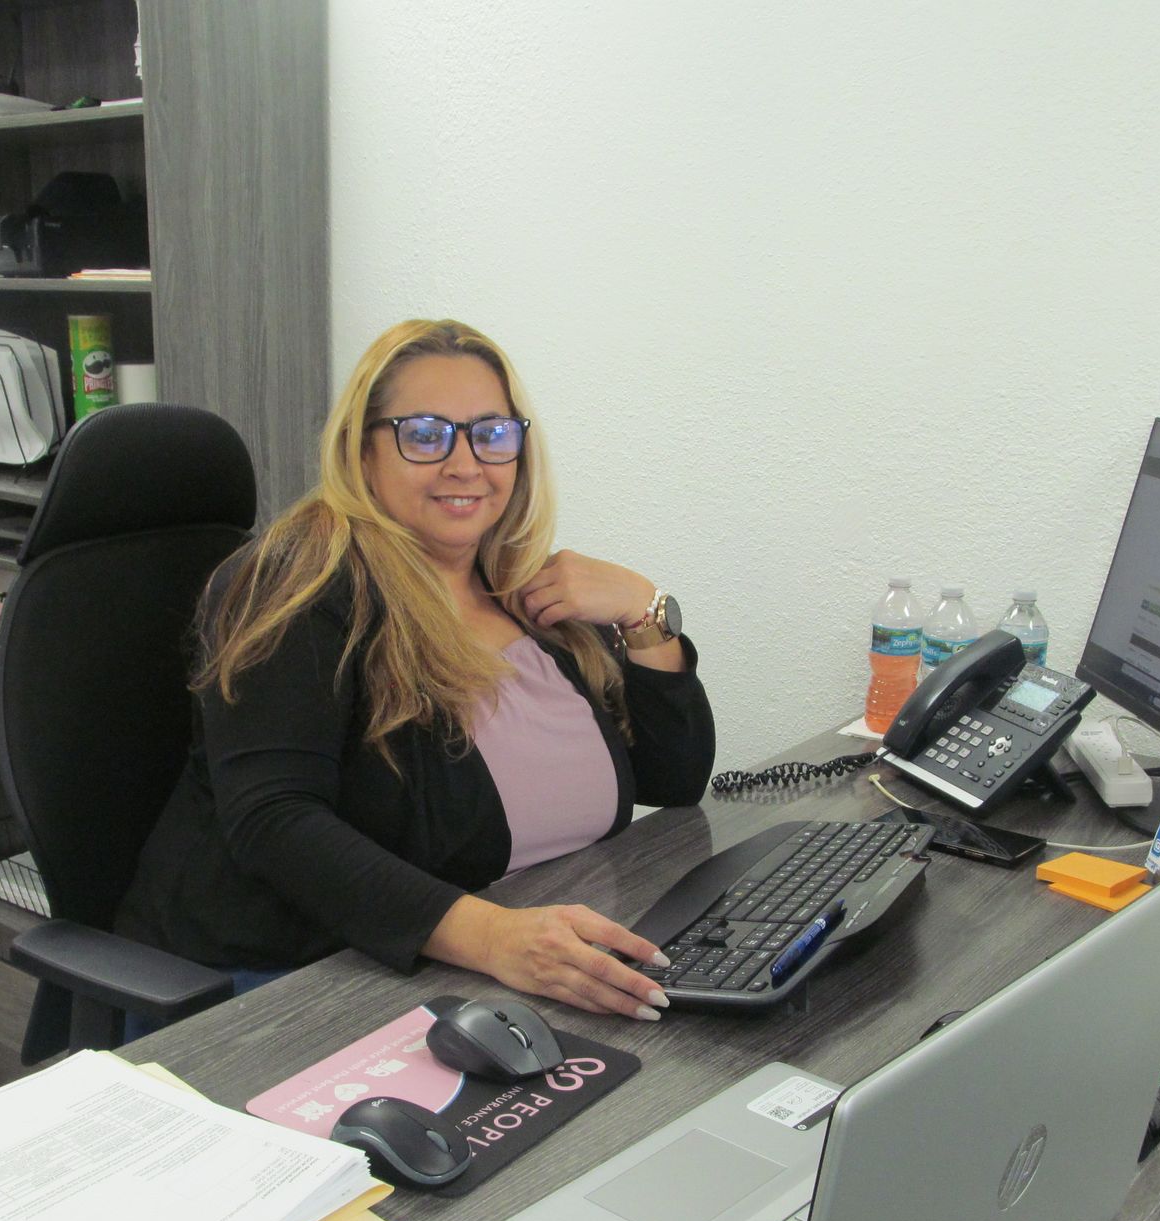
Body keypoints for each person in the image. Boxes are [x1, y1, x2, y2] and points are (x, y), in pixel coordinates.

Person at [115, 319, 715, 1020]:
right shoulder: (295, 585)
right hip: (286, 986)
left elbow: (674, 783)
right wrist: (496, 938)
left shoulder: (525, 592)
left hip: (493, 966)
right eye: (425, 435)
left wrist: (643, 613)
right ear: (362, 450)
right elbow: (274, 820)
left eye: (491, 434)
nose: (466, 464)